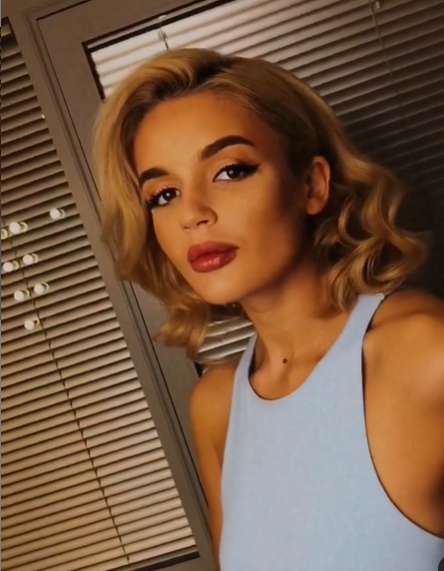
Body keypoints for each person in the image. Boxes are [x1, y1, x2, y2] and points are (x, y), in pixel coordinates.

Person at [93, 47, 444, 570]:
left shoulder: (424, 354)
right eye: (163, 195)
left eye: (230, 171)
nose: (193, 213)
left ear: (312, 185)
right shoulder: (217, 406)